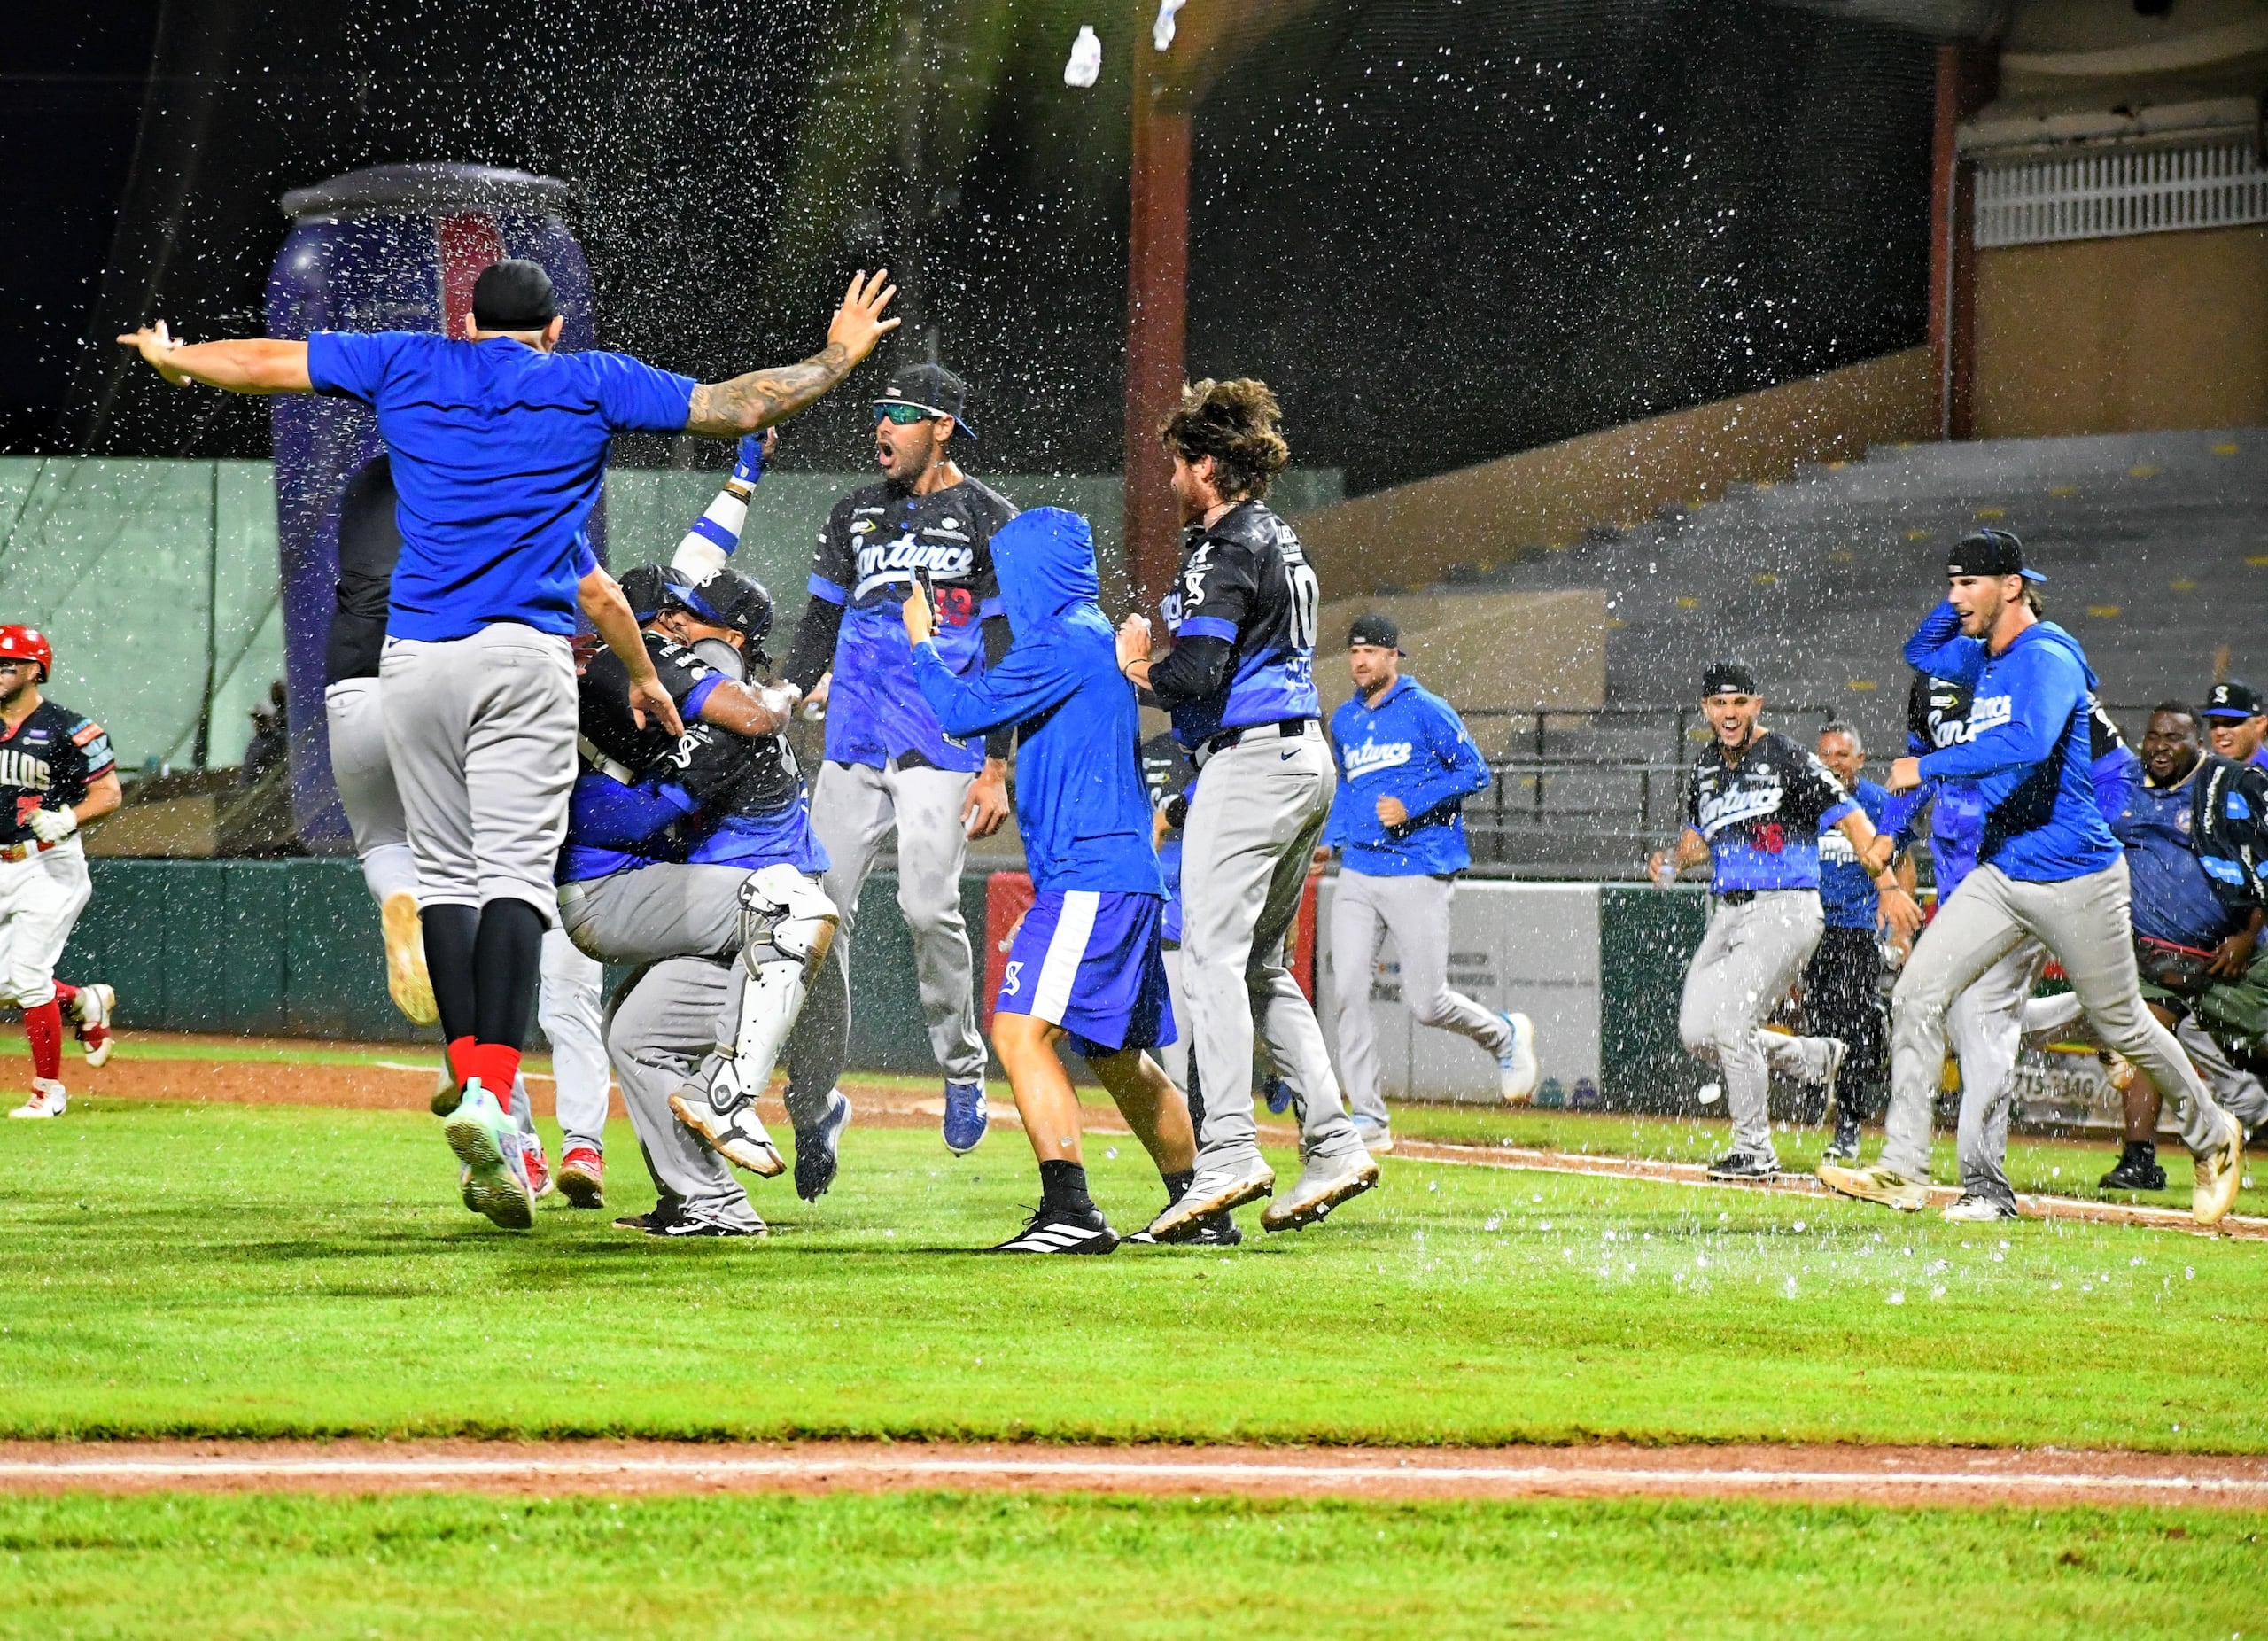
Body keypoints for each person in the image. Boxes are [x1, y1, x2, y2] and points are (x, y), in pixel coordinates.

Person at [120, 260, 897, 1227]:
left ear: (467, 320)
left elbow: (270, 362)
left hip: (409, 660)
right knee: (518, 884)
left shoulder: (408, 362)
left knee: (440, 876)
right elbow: (737, 406)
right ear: (554, 325)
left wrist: (174, 357)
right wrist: (838, 355)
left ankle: (476, 1087)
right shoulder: (583, 379)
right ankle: (493, 1090)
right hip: (520, 657)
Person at [1821, 532, 2245, 1226]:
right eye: (1951, 585)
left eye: (1969, 585)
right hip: (2002, 870)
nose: (1954, 599)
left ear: (2013, 586)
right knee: (1919, 993)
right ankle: (1902, 1168)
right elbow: (1918, 654)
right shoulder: (1981, 653)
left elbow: (2029, 741)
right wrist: (1966, 594)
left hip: (2077, 875)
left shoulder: (2048, 655)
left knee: (2125, 1024)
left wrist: (1922, 769)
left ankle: (2211, 1133)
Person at [1117, 377, 1379, 1239]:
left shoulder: (1224, 544)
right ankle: (1335, 1142)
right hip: (1306, 755)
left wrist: (1136, 664)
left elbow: (1195, 675)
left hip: (1255, 755)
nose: (1169, 482)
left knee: (1211, 960)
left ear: (1207, 465)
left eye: (1178, 465)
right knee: (1263, 965)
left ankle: (1227, 1150)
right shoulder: (1281, 535)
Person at [900, 507, 1197, 1252]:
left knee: (1017, 1031)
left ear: (1040, 573)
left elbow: (960, 712)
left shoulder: (1062, 640)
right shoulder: (1088, 635)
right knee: (1114, 1053)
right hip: (1122, 874)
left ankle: (1070, 1211)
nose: (1006, 591)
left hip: (1089, 875)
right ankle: (1200, 1204)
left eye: (1012, 573)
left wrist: (920, 642)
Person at [326, 451, 613, 1208]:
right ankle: (516, 1116)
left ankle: (401, 899)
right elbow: (584, 584)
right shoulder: (508, 477)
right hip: (463, 673)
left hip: (357, 680)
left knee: (397, 852)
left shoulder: (370, 481)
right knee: (505, 886)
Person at [553, 563, 843, 1225]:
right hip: (661, 897)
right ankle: (744, 1105)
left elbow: (656, 805)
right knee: (793, 917)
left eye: (691, 612)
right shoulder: (668, 669)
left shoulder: (707, 694)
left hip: (711, 900)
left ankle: (711, 1196)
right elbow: (634, 815)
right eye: (673, 610)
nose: (677, 622)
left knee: (638, 1035)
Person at [780, 362, 1016, 1156]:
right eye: (879, 413)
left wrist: (996, 765)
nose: (883, 427)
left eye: (903, 415)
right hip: (853, 739)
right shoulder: (854, 513)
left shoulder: (988, 516)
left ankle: (959, 1069)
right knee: (813, 919)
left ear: (943, 426)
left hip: (941, 741)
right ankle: (814, 1102)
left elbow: (1003, 642)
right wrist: (783, 693)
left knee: (926, 909)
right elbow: (817, 623)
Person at [1646, 661, 1895, 1178]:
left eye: (1740, 703)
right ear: (1706, 711)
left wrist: (1887, 883)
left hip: (1785, 905)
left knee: (1733, 1023)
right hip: (1730, 910)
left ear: (1757, 706)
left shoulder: (1786, 756)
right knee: (1698, 1033)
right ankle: (1810, 1059)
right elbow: (1699, 841)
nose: (1730, 713)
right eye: (1720, 704)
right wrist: (1671, 859)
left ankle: (1755, 1150)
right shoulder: (1704, 768)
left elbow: (1849, 814)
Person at [1324, 612, 1536, 1153]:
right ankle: (1369, 1118)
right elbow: (1349, 789)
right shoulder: (1345, 721)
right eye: (1354, 652)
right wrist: (1330, 836)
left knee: (1426, 1002)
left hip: (1418, 866)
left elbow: (1475, 771)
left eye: (1372, 651)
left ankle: (1503, 1035)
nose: (1361, 661)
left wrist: (1413, 805)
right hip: (1359, 870)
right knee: (1346, 993)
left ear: (1395, 656)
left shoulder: (1425, 708)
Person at [2047, 704, 2268, 1194]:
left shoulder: (2225, 788)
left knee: (2260, 1050)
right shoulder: (2124, 789)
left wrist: (2247, 936)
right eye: (2153, 737)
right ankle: (2139, 1158)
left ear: (2198, 746)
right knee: (2144, 1041)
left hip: (2228, 953)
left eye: (2174, 737)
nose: (2160, 747)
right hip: (2155, 957)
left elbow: (2262, 860)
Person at [0, 626, 120, 1119]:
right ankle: (82, 1001)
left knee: (27, 977)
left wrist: (69, 817)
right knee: (9, 982)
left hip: (46, 863)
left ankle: (49, 1092)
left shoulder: (70, 729)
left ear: (34, 670)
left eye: (5, 664)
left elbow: (110, 793)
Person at [1808, 722, 1921, 1157]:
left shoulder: (1878, 802)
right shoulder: (1807, 801)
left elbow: (1905, 862)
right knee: (1823, 1025)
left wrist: (1899, 929)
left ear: (1859, 759)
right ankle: (1838, 1096)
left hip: (1857, 928)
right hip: (1815, 928)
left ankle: (1850, 1125)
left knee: (1850, 1023)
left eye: (1841, 755)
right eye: (1826, 755)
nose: (1833, 763)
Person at [2201, 679, 2268, 770]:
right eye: (2214, 723)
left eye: (2231, 723)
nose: (2220, 732)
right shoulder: (2203, 774)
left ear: (2260, 724)